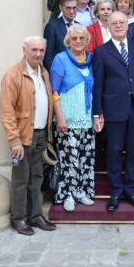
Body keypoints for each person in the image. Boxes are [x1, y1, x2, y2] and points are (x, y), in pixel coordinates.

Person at [0, 36, 57, 235]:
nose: (38, 54)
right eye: (34, 50)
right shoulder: (13, 75)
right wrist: (14, 140)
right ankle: (19, 218)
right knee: (21, 179)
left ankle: (35, 215)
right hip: (22, 136)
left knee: (37, 177)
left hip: (40, 134)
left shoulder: (44, 72)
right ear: (24, 50)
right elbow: (6, 112)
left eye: (41, 50)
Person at [92, 11, 134, 212]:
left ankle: (131, 189)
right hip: (113, 108)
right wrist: (97, 111)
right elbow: (98, 84)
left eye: (121, 22)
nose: (118, 26)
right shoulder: (101, 51)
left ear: (127, 25)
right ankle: (115, 191)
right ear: (108, 26)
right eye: (114, 23)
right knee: (114, 151)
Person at [50, 25, 96, 212]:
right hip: (67, 120)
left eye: (81, 38)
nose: (78, 41)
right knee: (70, 159)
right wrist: (60, 116)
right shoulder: (60, 59)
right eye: (74, 38)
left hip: (87, 119)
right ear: (68, 41)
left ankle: (82, 192)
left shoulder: (91, 60)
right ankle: (68, 194)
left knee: (86, 158)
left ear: (87, 41)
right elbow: (54, 91)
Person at [43, 0, 77, 71]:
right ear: (60, 7)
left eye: (74, 8)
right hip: (58, 73)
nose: (72, 11)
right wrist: (54, 75)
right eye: (68, 8)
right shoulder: (52, 26)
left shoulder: (81, 26)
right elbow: (47, 57)